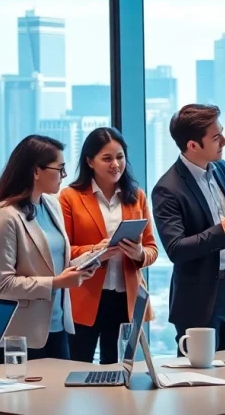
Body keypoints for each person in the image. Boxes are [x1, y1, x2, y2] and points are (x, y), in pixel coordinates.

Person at [0, 135, 96, 362]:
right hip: (19, 335)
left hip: (57, 326)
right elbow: (3, 285)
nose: (64, 175)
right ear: (36, 171)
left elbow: (51, 264)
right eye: (59, 168)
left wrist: (88, 261)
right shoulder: (5, 217)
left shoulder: (51, 205)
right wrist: (57, 283)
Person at [152, 104, 225, 352]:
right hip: (201, 297)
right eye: (216, 137)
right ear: (193, 145)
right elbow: (177, 249)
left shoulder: (222, 169)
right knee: (200, 373)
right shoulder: (167, 189)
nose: (224, 141)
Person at [60, 127, 159, 364]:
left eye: (120, 157)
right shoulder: (70, 197)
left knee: (120, 370)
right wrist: (96, 250)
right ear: (90, 161)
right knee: (78, 366)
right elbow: (63, 251)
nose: (115, 164)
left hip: (126, 298)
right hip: (85, 296)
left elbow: (152, 249)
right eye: (107, 158)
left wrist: (139, 254)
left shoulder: (136, 196)